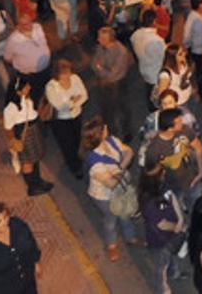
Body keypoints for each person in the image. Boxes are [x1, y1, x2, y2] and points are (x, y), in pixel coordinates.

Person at [81, 116, 139, 262]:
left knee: (124, 212)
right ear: (101, 133)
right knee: (111, 219)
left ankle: (130, 237)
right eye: (104, 127)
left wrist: (118, 170)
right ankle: (111, 244)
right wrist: (122, 168)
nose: (107, 127)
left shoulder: (112, 140)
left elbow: (129, 151)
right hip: (103, 196)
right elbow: (110, 183)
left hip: (119, 187)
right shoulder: (93, 160)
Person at [139, 164, 188, 293]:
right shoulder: (149, 202)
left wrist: (180, 219)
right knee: (161, 268)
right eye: (162, 172)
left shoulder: (163, 186)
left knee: (170, 258)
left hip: (172, 233)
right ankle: (163, 289)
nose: (165, 173)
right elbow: (162, 224)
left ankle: (174, 273)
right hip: (160, 241)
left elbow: (172, 198)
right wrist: (177, 227)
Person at [3, 74, 54, 196]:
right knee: (28, 161)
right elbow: (8, 127)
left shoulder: (26, 98)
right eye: (26, 87)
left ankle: (37, 181)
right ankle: (32, 186)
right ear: (18, 91)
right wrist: (14, 141)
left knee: (34, 158)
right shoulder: (11, 108)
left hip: (33, 130)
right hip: (24, 135)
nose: (29, 88)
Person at [42, 58, 87, 178]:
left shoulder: (75, 78)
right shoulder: (51, 86)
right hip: (61, 121)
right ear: (57, 74)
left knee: (78, 139)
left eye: (69, 72)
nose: (68, 76)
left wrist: (71, 103)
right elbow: (59, 106)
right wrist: (74, 101)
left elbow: (84, 95)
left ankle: (79, 158)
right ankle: (75, 167)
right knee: (67, 145)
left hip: (76, 116)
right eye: (64, 74)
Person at [91, 25, 134, 142]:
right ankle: (111, 132)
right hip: (104, 84)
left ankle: (127, 131)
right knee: (107, 110)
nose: (97, 40)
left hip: (118, 84)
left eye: (100, 38)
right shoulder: (100, 47)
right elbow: (94, 63)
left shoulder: (121, 52)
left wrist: (100, 69)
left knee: (122, 108)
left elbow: (112, 74)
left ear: (108, 40)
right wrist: (101, 69)